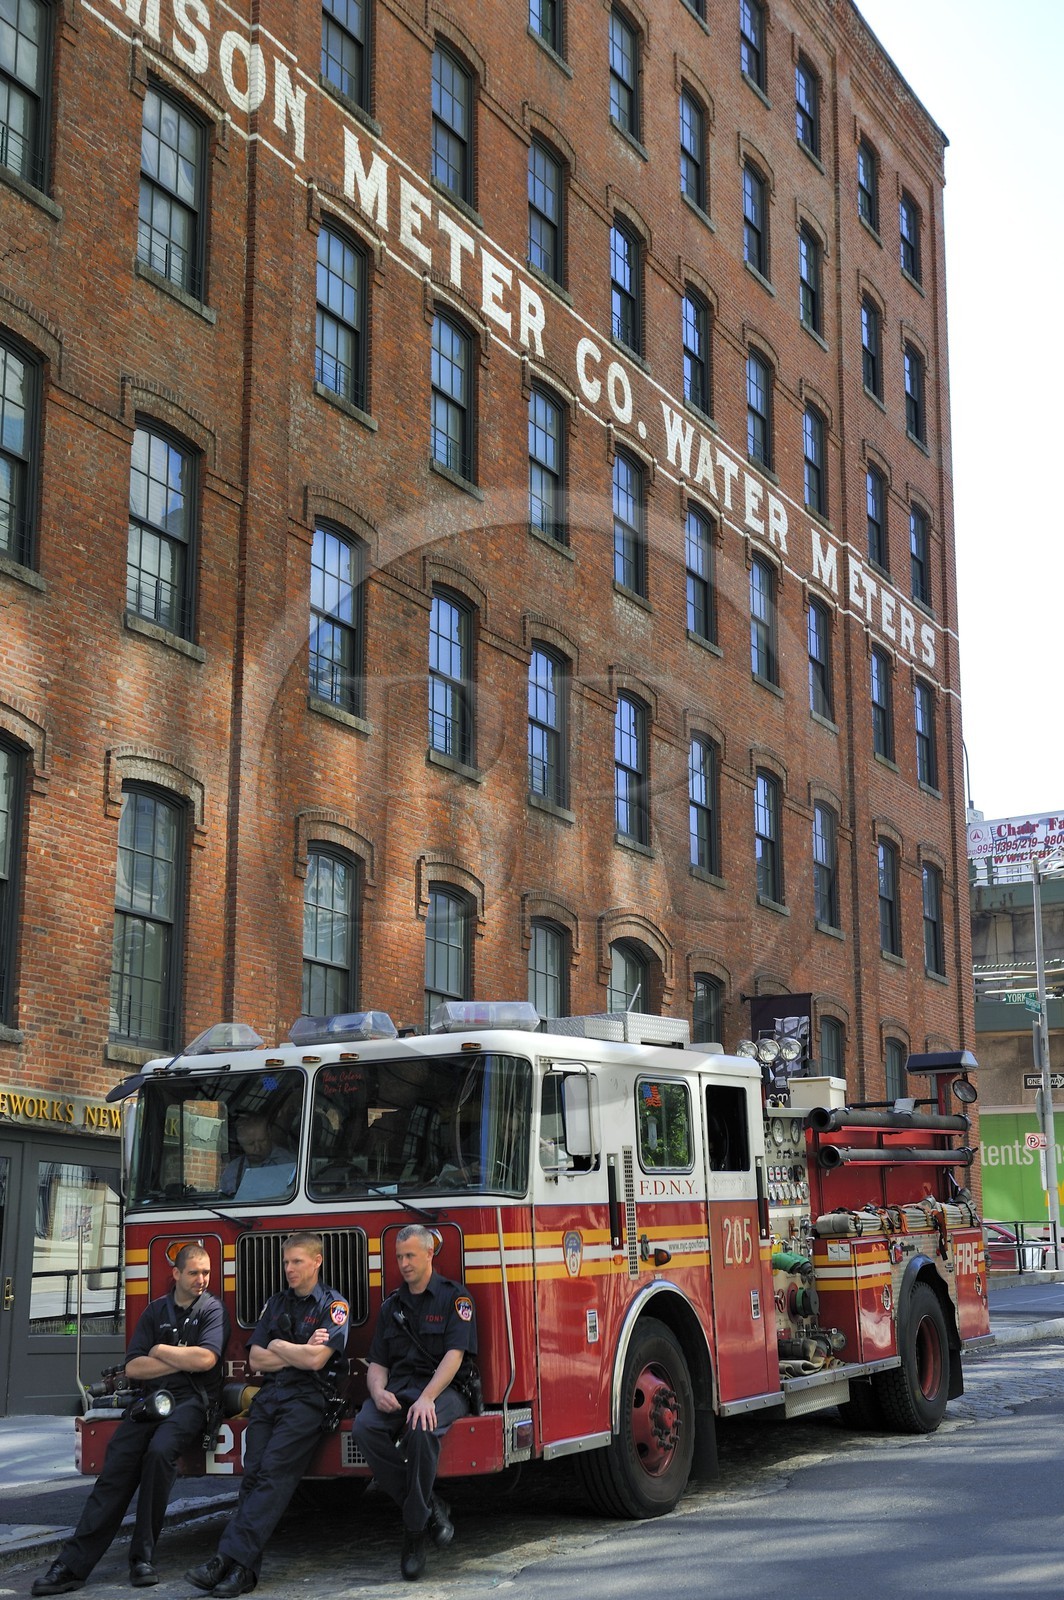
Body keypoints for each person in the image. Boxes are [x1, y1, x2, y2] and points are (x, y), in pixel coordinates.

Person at [32, 1244, 226, 1596]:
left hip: (191, 1403)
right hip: (150, 1401)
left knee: (159, 1455)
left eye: (207, 1273)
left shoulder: (212, 1310)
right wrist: (180, 1359)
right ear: (177, 1274)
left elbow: (207, 1360)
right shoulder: (154, 1312)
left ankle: (142, 1558)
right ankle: (71, 1566)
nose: (202, 1279)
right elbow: (134, 1367)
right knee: (116, 1468)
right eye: (195, 1273)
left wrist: (161, 1351)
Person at [185, 1232, 348, 1598]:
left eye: (297, 1262)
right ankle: (243, 1571)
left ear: (317, 1262)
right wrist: (296, 1349)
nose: (289, 1269)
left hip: (308, 1400)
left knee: (274, 1475)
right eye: (286, 1262)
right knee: (253, 1477)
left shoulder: (333, 1305)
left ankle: (224, 1560)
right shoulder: (275, 1303)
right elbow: (257, 1359)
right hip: (269, 1397)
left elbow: (317, 1360)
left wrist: (280, 1345)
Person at [353, 1224, 477, 1581]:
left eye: (410, 1255)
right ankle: (430, 1508)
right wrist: (377, 1392)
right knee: (365, 1427)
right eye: (399, 1257)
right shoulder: (393, 1305)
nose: (404, 1263)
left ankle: (413, 1536)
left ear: (429, 1254)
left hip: (445, 1391)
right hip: (401, 1390)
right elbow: (378, 1363)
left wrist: (427, 1398)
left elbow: (454, 1357)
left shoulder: (455, 1299)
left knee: (421, 1429)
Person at [220, 1115, 295, 1195]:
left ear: (269, 1134)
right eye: (250, 1144)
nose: (258, 1148)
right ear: (240, 1144)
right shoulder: (233, 1169)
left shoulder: (289, 1163)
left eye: (262, 1141)